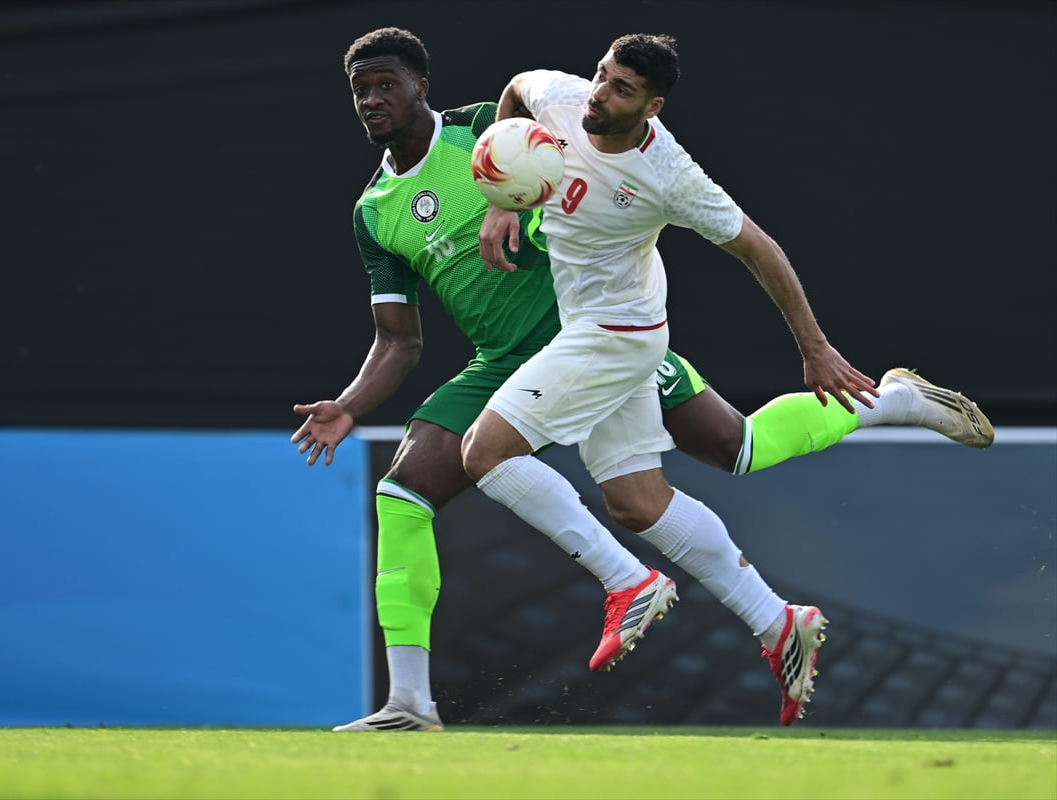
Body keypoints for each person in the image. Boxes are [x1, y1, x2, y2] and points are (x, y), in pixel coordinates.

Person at [293, 28, 993, 733]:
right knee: (461, 496)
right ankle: (411, 703)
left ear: (421, 86)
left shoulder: (519, 137)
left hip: (597, 335)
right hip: (513, 352)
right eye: (361, 89)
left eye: (387, 84)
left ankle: (887, 406)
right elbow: (399, 337)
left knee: (733, 447)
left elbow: (754, 244)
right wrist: (350, 402)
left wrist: (815, 347)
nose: (373, 99)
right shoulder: (381, 206)